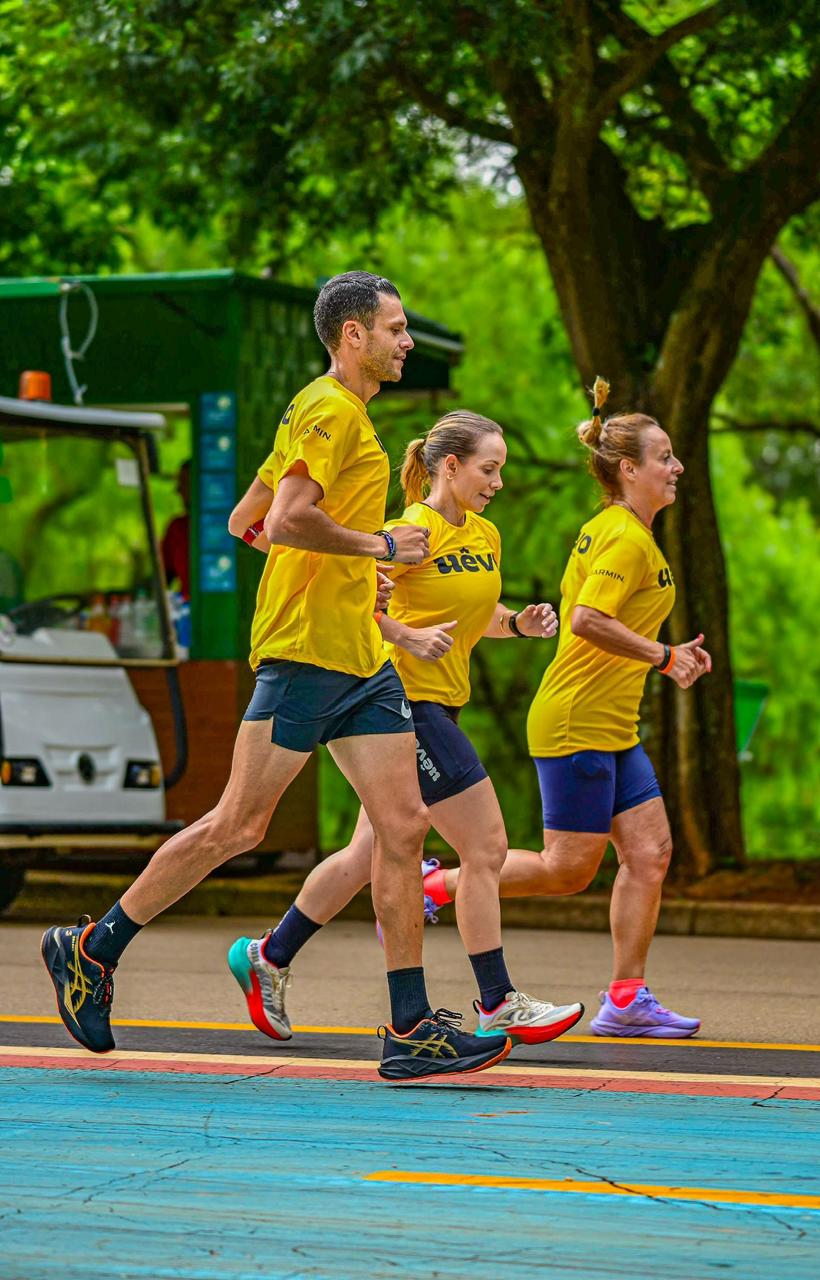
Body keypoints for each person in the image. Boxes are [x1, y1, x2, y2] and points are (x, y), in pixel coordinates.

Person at [40, 271, 512, 1082]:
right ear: (352, 336)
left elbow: (244, 522)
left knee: (402, 832)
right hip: (304, 652)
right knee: (238, 827)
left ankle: (409, 1029)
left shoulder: (321, 410)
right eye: (395, 329)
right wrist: (376, 550)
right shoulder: (331, 410)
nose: (406, 342)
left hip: (362, 659)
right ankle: (90, 948)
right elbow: (287, 519)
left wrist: (354, 576)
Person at [227, 413, 584, 1046]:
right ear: (451, 466)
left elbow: (472, 611)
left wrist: (518, 625)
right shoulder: (407, 529)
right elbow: (357, 598)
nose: (498, 481)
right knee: (486, 846)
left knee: (367, 856)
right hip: (400, 706)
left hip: (443, 703)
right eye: (488, 468)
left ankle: (269, 956)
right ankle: (497, 1000)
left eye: (501, 469)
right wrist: (405, 636)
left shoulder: (484, 534)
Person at [420, 377, 712, 1038]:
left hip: (613, 726)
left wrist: (667, 655)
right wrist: (664, 656)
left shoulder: (632, 532)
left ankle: (627, 998)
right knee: (565, 871)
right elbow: (585, 619)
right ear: (629, 469)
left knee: (650, 852)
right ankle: (439, 887)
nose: (677, 467)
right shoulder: (622, 537)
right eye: (664, 457)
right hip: (576, 719)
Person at [161, 460, 191, 599]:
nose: (178, 490)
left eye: (184, 484)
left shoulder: (232, 526)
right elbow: (163, 576)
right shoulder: (176, 528)